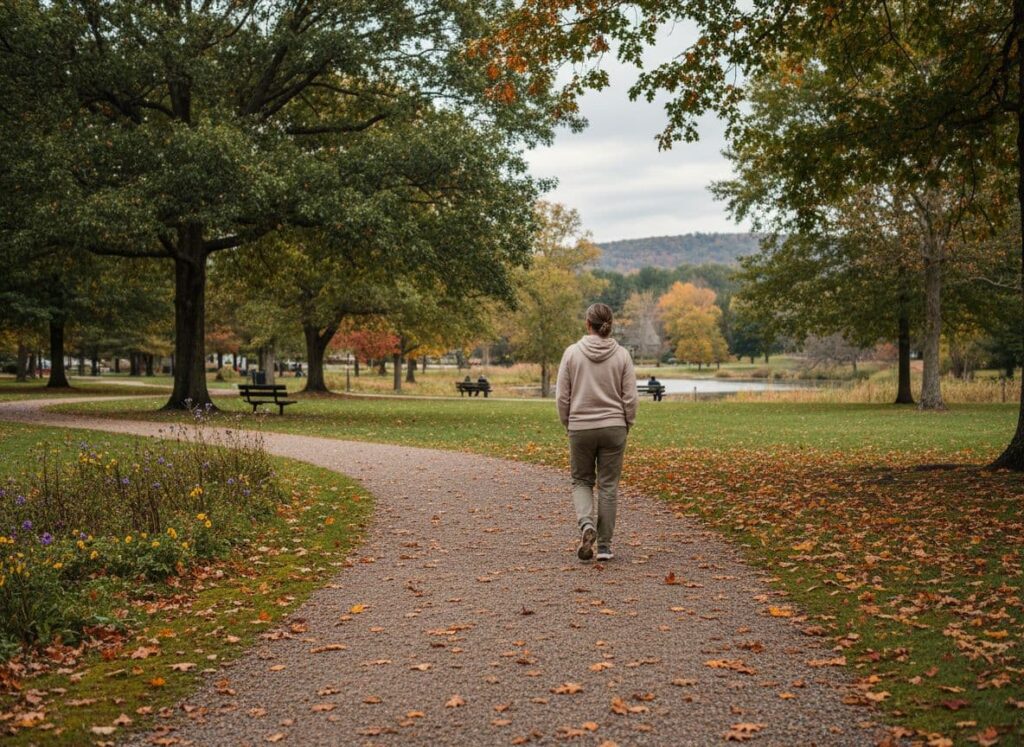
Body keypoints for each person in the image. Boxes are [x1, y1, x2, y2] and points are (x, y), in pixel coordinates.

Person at [556, 303, 637, 562]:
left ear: (587, 324)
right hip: (614, 427)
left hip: (580, 426)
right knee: (609, 485)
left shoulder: (571, 353)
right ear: (609, 325)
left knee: (582, 481)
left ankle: (586, 525)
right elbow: (631, 397)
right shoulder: (622, 355)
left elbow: (562, 396)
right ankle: (604, 547)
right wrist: (627, 423)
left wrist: (567, 422)